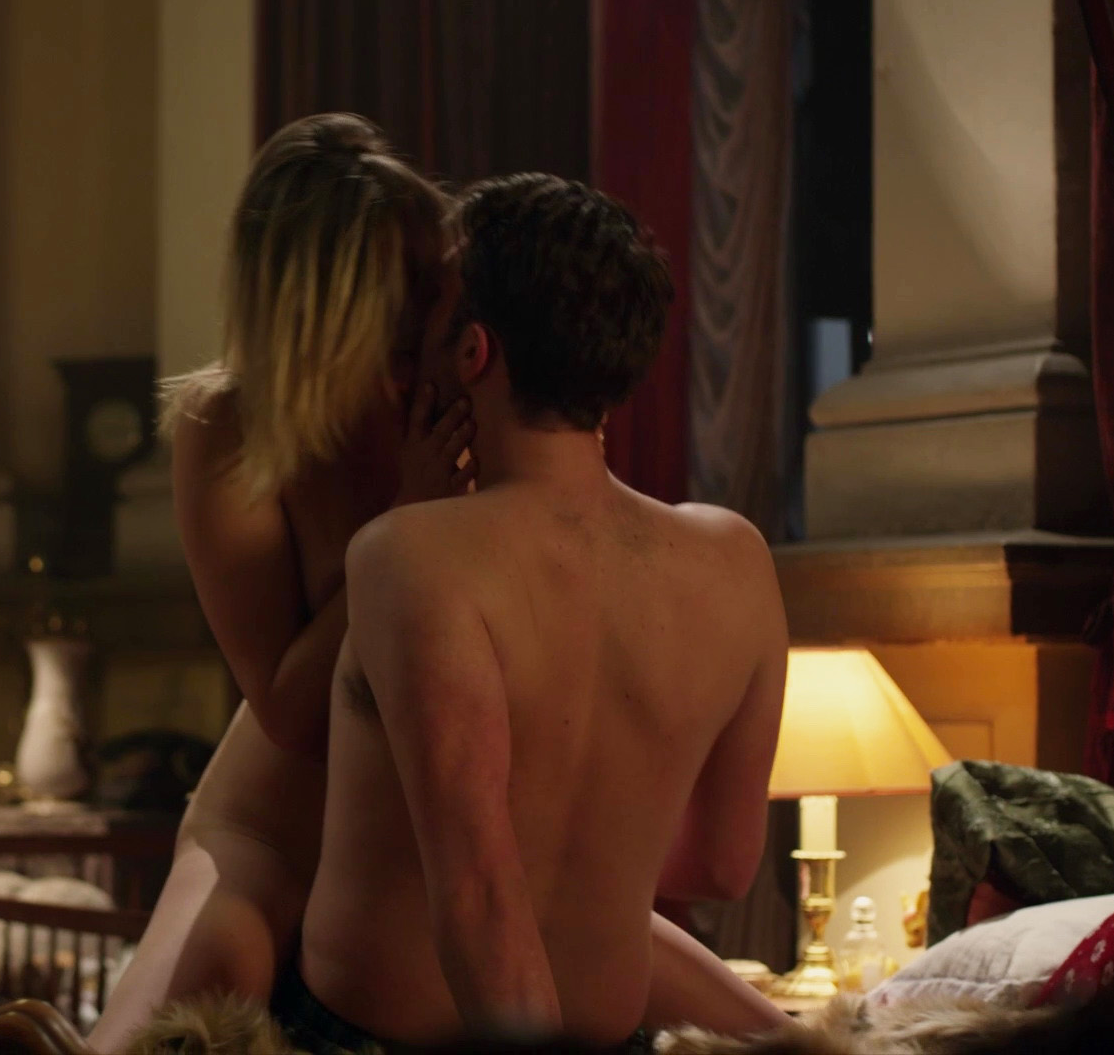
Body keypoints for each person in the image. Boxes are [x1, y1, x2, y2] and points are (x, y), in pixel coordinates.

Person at [282, 173, 791, 1050]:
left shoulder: (410, 553)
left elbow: (481, 893)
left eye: (428, 318)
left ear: (472, 352)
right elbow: (722, 864)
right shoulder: (736, 559)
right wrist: (589, 851)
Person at [87, 111, 474, 1051]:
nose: (440, 303)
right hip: (271, 826)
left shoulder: (461, 393)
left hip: (421, 827)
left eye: (437, 275)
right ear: (331, 304)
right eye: (413, 283)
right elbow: (291, 713)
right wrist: (403, 526)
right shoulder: (229, 426)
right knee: (177, 1022)